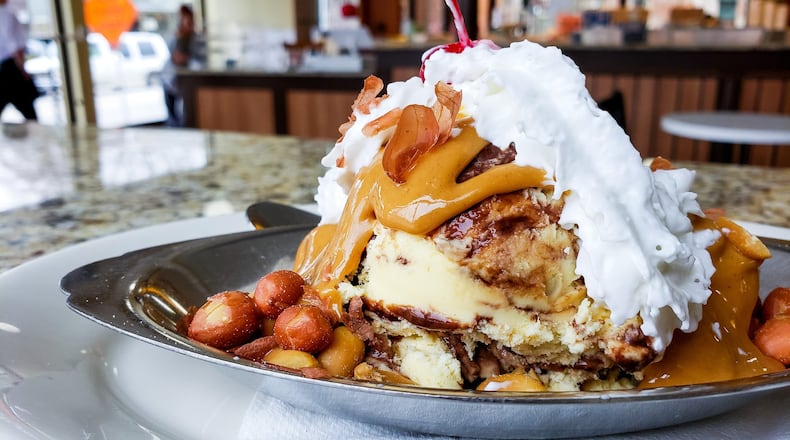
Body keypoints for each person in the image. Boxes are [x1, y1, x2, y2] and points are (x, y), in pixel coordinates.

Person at [0, 0, 38, 121]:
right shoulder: (7, 14)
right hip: (10, 67)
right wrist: (22, 69)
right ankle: (36, 135)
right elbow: (15, 47)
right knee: (28, 110)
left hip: (5, 66)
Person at [161, 4, 198, 127]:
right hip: (171, 77)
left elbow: (192, 58)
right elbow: (173, 56)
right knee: (172, 112)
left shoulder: (194, 37)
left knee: (188, 112)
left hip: (186, 79)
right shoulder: (175, 35)